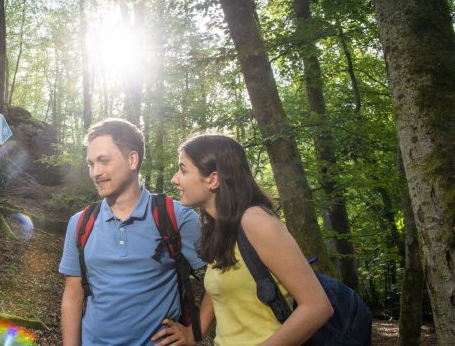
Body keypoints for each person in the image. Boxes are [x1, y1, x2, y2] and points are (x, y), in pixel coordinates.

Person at [170, 134, 333, 345]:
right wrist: (194, 333)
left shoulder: (256, 221)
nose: (175, 179)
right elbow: (220, 286)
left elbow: (317, 306)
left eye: (183, 170)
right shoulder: (220, 227)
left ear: (213, 179)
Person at [59, 118, 206, 346]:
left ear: (132, 159)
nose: (95, 172)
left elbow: (222, 279)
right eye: (90, 164)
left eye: (103, 161)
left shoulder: (176, 218)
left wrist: (194, 333)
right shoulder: (80, 224)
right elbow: (73, 295)